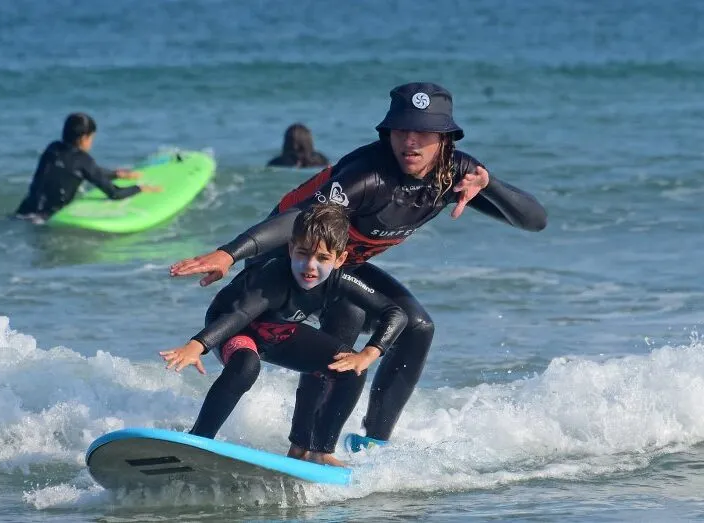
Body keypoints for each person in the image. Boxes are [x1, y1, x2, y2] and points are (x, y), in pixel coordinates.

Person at [169, 82, 548, 452]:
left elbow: (534, 221)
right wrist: (229, 253)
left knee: (417, 327)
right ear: (388, 132)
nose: (410, 141)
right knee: (342, 325)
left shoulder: (455, 174)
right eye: (402, 130)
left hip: (340, 266)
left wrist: (490, 185)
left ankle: (372, 443)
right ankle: (306, 446)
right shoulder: (368, 175)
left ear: (445, 138)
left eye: (423, 132)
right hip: (289, 260)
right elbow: (300, 217)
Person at [160, 203, 408, 466]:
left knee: (350, 368)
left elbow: (396, 313)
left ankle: (318, 451)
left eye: (322, 258)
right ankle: (200, 440)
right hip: (234, 328)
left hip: (276, 331)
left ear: (339, 260)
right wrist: (198, 345)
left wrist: (370, 353)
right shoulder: (274, 277)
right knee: (246, 365)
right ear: (291, 249)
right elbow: (240, 315)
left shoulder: (339, 280)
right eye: (302, 254)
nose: (310, 266)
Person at [15, 112, 161, 220]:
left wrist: (116, 174)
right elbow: (115, 194)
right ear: (84, 138)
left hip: (23, 212)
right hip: (47, 219)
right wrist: (140, 188)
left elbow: (78, 169)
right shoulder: (83, 160)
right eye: (92, 138)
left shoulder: (53, 148)